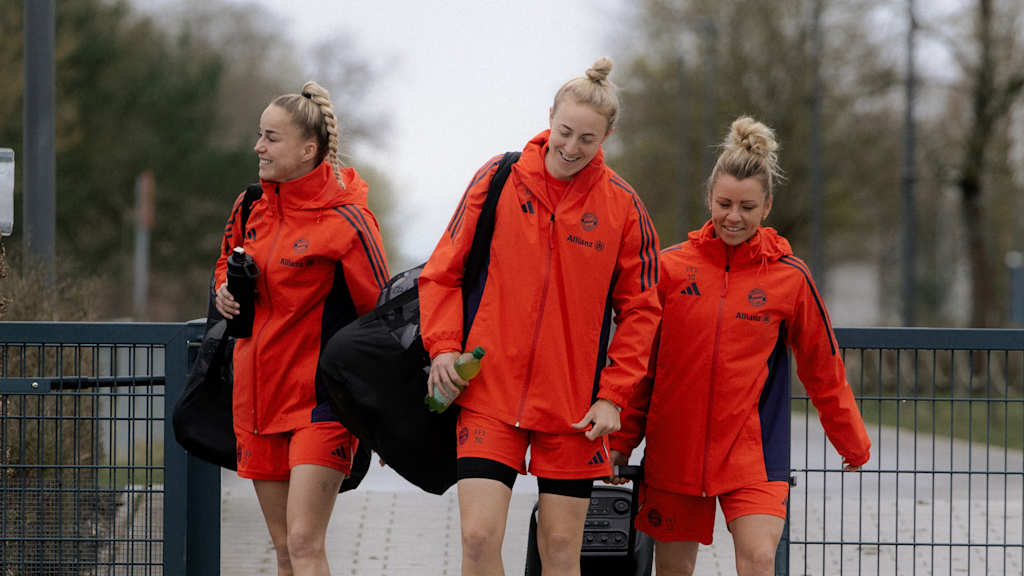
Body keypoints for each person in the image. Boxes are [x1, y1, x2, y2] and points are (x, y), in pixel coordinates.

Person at [418, 57, 661, 576]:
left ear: (608, 136)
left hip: (575, 409)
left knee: (559, 549)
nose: (571, 148)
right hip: (489, 393)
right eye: (565, 131)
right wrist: (442, 346)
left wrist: (614, 396)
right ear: (550, 114)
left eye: (588, 140)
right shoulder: (498, 178)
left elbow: (642, 311)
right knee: (479, 538)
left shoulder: (623, 206)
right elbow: (442, 273)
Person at [609, 116, 871, 576]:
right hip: (674, 450)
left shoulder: (790, 277)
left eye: (747, 206)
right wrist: (619, 442)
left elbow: (822, 366)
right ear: (708, 198)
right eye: (725, 203)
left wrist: (851, 440)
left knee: (758, 558)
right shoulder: (669, 270)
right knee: (673, 569)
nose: (733, 216)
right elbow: (642, 367)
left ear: (767, 206)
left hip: (754, 452)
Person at [214, 81, 389, 576]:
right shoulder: (249, 206)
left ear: (308, 149)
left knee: (304, 540)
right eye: (259, 135)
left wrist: (384, 416)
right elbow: (225, 264)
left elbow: (380, 318)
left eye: (271, 138)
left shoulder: (350, 221)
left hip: (321, 404)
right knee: (283, 547)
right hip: (256, 399)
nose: (258, 147)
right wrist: (224, 288)